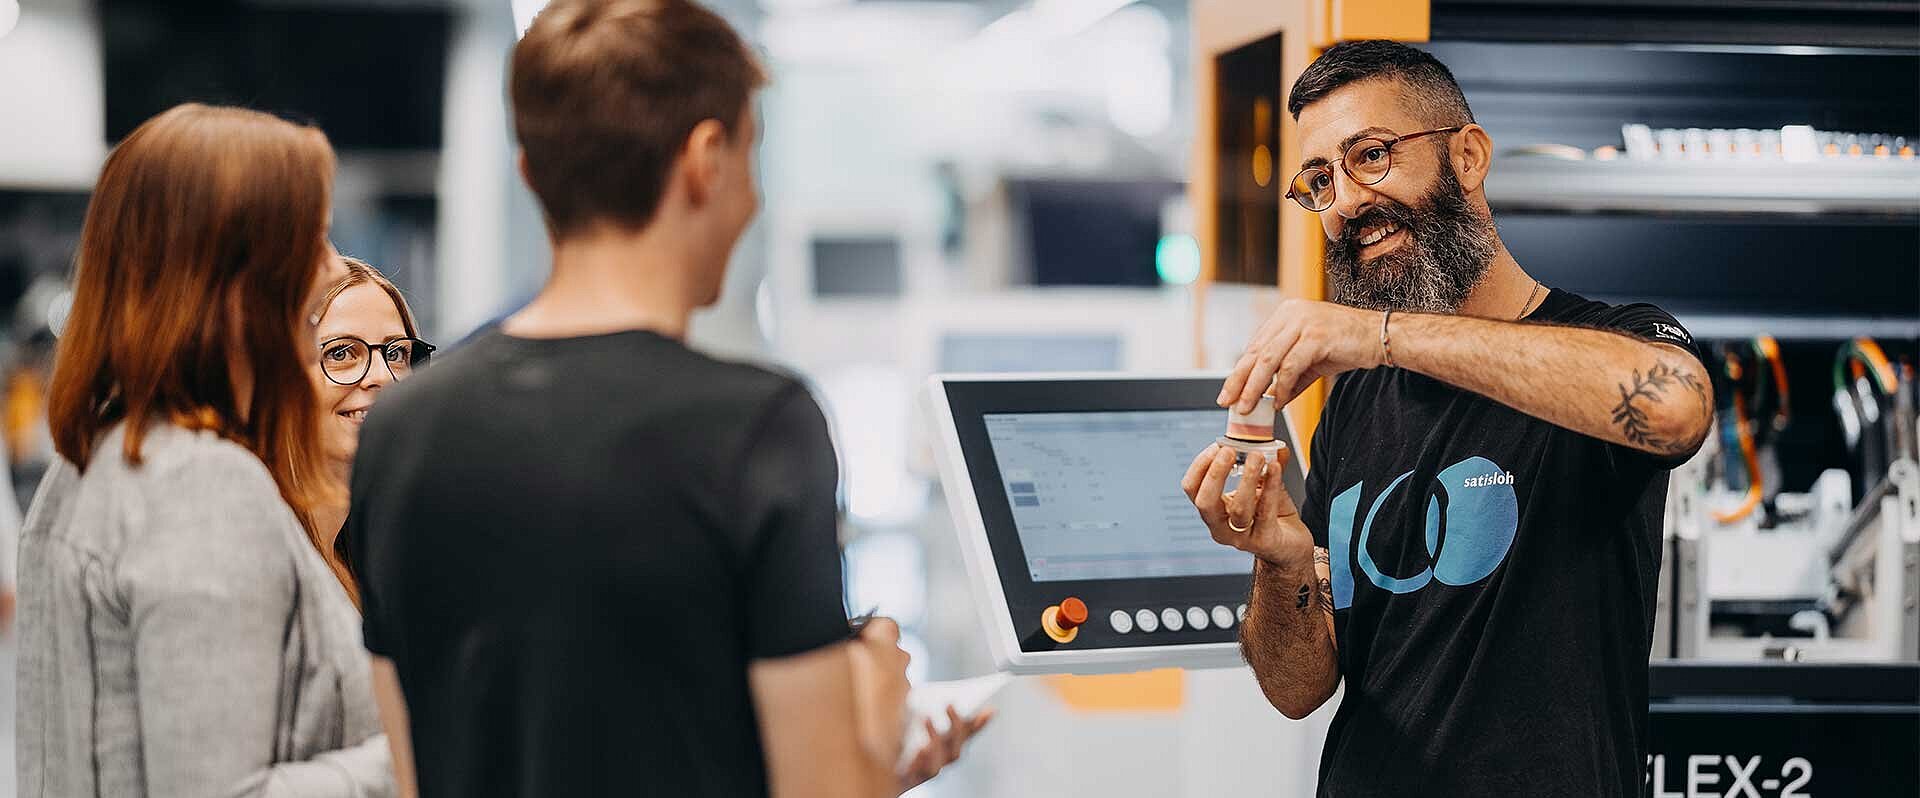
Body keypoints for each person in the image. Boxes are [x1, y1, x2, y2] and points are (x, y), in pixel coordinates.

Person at [343, 2, 985, 796]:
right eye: (752, 157)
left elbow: (418, 773)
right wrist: (878, 712)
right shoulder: (756, 427)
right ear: (707, 160)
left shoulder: (403, 426)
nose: (751, 201)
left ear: (531, 174)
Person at [1181, 41, 1714, 796]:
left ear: (1467, 155)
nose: (1349, 203)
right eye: (1322, 180)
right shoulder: (1357, 400)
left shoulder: (1610, 335)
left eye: (1371, 155)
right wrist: (1283, 558)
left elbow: (1677, 407)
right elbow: (1296, 690)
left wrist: (1379, 334)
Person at [17, 103, 391, 796]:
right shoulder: (203, 489)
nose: (333, 266)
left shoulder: (86, 466)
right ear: (242, 281)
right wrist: (407, 751)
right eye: (312, 239)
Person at [305, 256, 434, 602]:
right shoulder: (260, 546)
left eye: (396, 354)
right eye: (341, 352)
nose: (381, 376)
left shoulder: (387, 554)